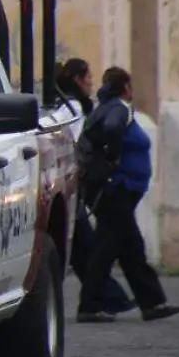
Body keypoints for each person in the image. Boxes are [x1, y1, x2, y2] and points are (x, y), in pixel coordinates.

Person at [76, 67, 179, 323]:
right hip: (118, 189)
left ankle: (153, 303)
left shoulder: (107, 107)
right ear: (125, 87)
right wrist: (113, 157)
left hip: (120, 191)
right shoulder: (120, 108)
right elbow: (112, 128)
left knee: (131, 249)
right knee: (106, 249)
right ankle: (90, 305)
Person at [55, 59, 134, 315]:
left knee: (84, 246)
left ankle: (107, 297)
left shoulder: (63, 106)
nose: (91, 83)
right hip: (71, 182)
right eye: (88, 77)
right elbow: (77, 142)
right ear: (78, 80)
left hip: (66, 181)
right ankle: (104, 298)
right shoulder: (75, 107)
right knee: (88, 244)